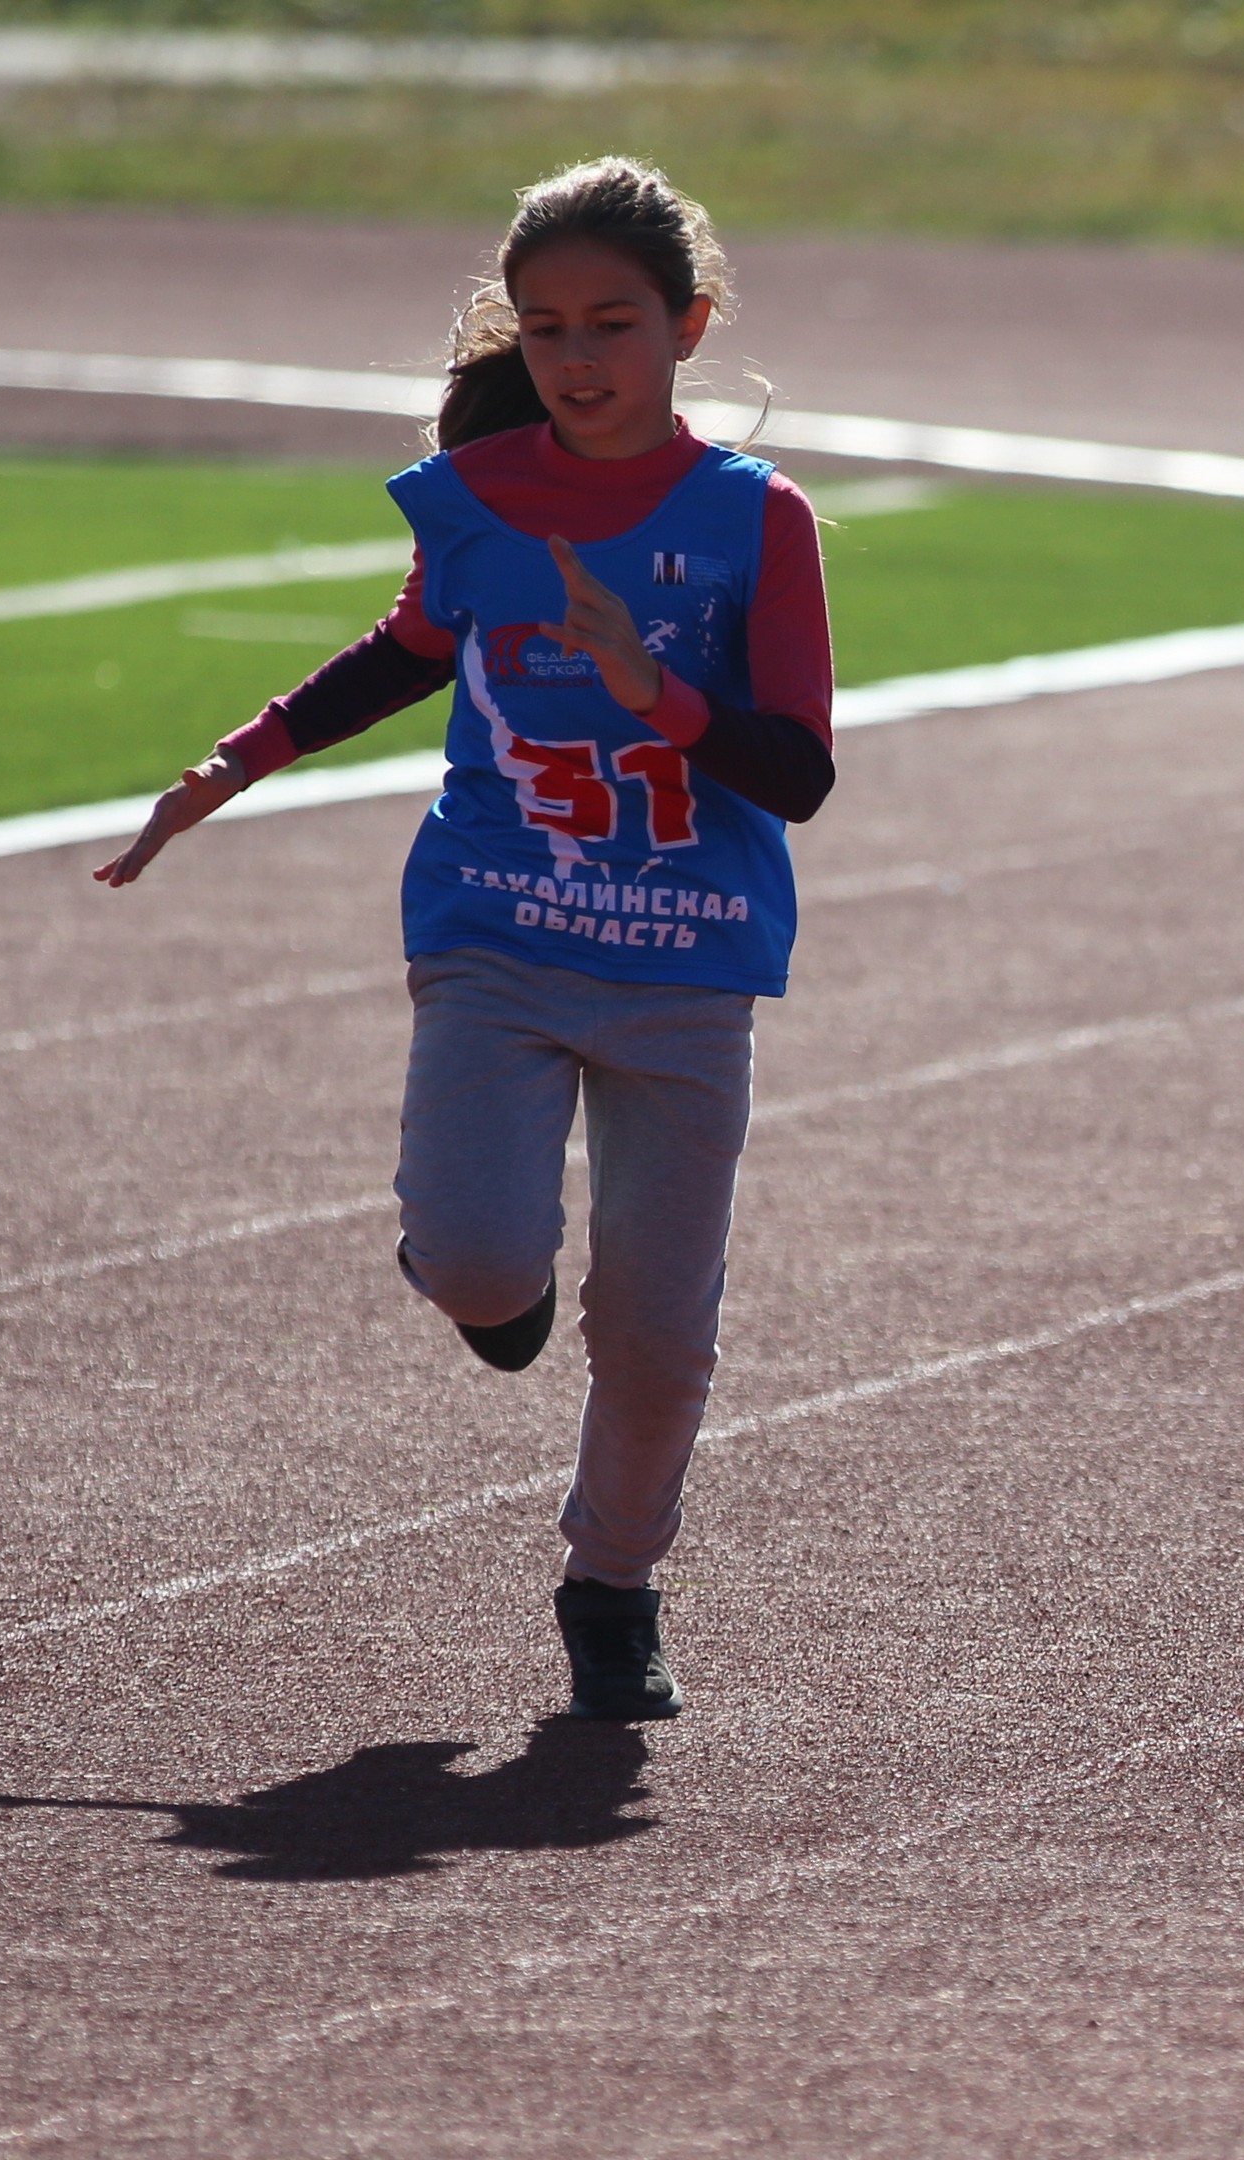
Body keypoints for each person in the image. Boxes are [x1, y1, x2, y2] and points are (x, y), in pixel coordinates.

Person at [94, 156, 837, 1724]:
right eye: (549, 327)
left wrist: (656, 691)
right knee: (487, 1262)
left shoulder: (760, 523)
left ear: (688, 327)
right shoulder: (480, 501)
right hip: (494, 927)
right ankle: (480, 1279)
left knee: (654, 1326)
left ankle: (613, 1586)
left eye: (615, 324)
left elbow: (800, 774)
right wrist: (233, 765)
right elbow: (408, 649)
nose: (579, 360)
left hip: (691, 963)